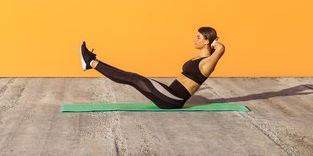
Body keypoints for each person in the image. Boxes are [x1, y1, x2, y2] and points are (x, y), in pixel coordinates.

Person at [80, 27, 225, 109]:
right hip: (170, 94)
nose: (195, 39)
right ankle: (91, 61)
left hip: (174, 99)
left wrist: (215, 43)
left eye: (198, 37)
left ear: (207, 41)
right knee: (132, 78)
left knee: (133, 78)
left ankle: (91, 62)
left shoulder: (207, 62)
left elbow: (221, 49)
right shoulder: (199, 58)